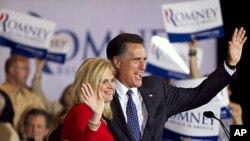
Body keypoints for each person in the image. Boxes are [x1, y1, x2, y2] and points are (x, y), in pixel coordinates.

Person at [105, 27, 247, 141]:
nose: (143, 66)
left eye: (145, 59)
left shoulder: (157, 89)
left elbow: (197, 94)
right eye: (136, 60)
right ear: (117, 62)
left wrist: (230, 64)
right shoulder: (101, 95)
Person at [61, 57, 116, 141]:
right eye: (104, 81)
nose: (111, 86)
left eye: (112, 80)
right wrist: (96, 117)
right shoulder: (82, 111)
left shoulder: (89, 111)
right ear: (90, 84)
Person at [0, 55, 46, 131]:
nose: (28, 72)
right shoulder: (1, 94)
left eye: (28, 69)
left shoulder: (33, 98)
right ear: (11, 70)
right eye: (24, 68)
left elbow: (43, 119)